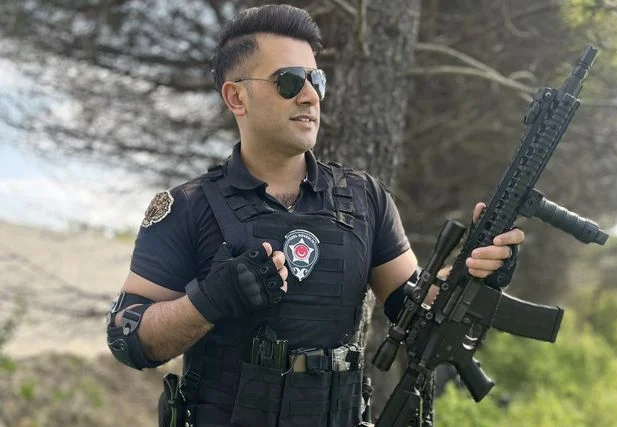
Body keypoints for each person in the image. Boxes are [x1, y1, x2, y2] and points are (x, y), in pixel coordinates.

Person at [106, 4, 524, 427]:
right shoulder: (188, 206)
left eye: (316, 80)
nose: (309, 96)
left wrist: (474, 272)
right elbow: (127, 337)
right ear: (236, 97)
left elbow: (416, 313)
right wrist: (209, 301)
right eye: (288, 80)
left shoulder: (364, 199)